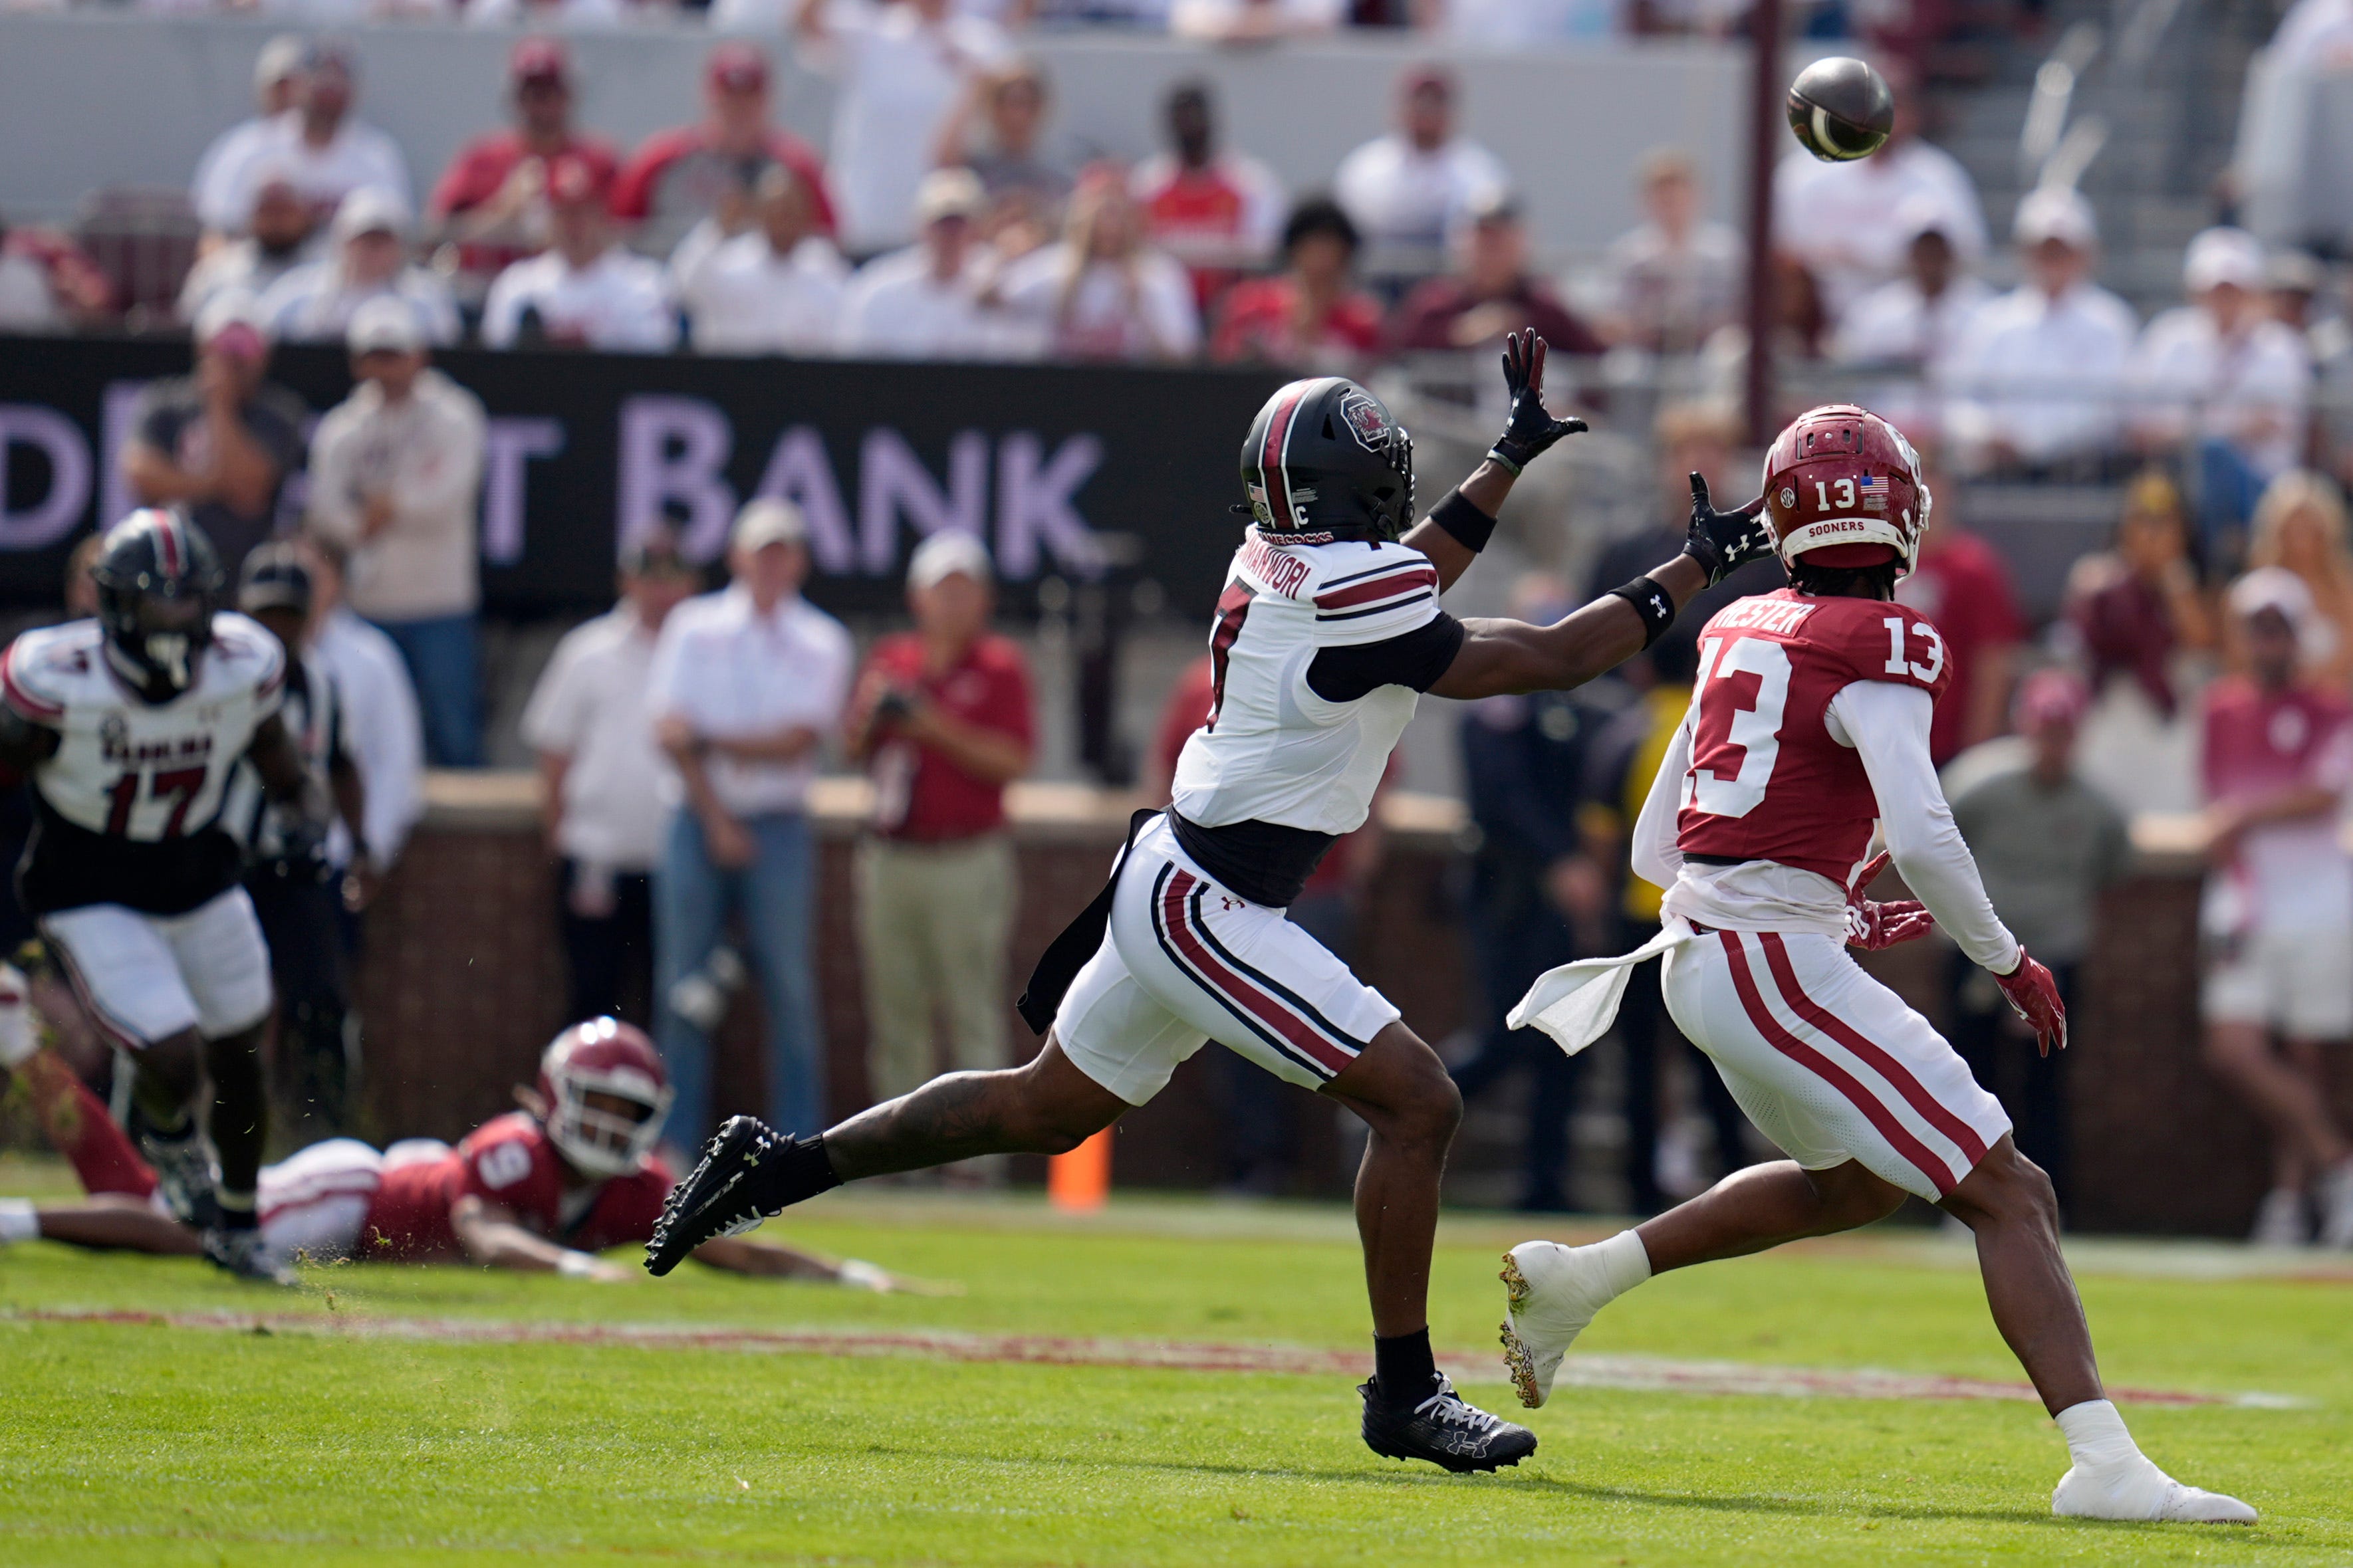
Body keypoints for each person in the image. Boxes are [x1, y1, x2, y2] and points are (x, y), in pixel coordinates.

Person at [645, 333, 1785, 1476]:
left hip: (1179, 875)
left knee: (1041, 1107)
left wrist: (1502, 459)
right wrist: (1690, 566)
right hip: (1213, 900)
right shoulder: (1349, 587)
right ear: (1355, 492)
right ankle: (1403, 1390)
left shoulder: (1270, 558)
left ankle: (778, 1164)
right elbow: (1544, 653)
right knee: (1415, 1103)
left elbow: (1415, 579)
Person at [1495, 403, 2256, 1525]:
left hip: (1712, 953)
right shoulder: (1882, 640)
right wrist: (2002, 957)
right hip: (1763, 961)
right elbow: (1922, 831)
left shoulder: (1739, 625)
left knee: (1857, 1179)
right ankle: (2101, 1463)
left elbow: (1664, 842)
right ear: (1899, 516)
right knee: (2009, 1185)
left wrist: (1823, 906)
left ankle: (1579, 1277)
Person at [0, 508, 331, 1284]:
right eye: (156, 601)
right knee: (169, 1049)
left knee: (242, 1053)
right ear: (114, 604)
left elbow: (287, 772)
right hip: (90, 882)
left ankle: (240, 1226)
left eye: (188, 601)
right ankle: (172, 1142)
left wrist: (305, 823)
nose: (174, 619)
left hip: (198, 873)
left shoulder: (239, 666)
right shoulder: (58, 677)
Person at [0, 1015, 902, 1289]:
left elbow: (732, 1245)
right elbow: (480, 1229)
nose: (610, 1123)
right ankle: (19, 1205)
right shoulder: (515, 1149)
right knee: (184, 1222)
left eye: (628, 1107)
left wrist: (851, 1274)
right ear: (553, 1097)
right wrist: (569, 1267)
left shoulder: (634, 1186)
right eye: (598, 1101)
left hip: (373, 1230)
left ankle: (21, 1054)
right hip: (355, 1194)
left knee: (155, 1204)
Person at [647, 500, 852, 1151]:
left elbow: (797, 740)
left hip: (781, 826)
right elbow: (670, 733)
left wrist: (709, 741)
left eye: (782, 550)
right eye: (760, 550)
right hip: (696, 818)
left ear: (799, 560)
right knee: (681, 985)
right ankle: (676, 1143)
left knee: (790, 985)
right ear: (737, 556)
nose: (769, 563)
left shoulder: (822, 638)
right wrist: (715, 816)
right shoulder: (692, 624)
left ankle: (796, 1144)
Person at [1449, 572, 1633, 1213]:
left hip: (1564, 902)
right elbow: (1505, 798)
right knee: (1506, 1033)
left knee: (1564, 1041)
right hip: (1510, 894)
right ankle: (1409, 1108)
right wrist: (1561, 859)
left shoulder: (1584, 711)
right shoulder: (1495, 708)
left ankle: (1544, 1181)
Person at [844, 532, 1034, 1113]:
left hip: (966, 856)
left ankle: (974, 1158)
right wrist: (877, 717)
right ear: (917, 598)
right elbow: (852, 749)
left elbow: (1012, 760)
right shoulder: (890, 661)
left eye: (964, 591)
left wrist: (932, 725)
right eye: (941, 591)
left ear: (984, 600)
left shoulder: (1000, 666)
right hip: (892, 852)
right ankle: (897, 1152)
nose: (952, 605)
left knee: (969, 1008)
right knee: (894, 1007)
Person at [2197, 568, 2353, 1248]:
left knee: (2306, 1055)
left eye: (2276, 627)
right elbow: (2214, 808)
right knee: (2233, 1049)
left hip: (2318, 902)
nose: (2265, 641)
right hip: (2243, 903)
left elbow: (2322, 793)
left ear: (2296, 636)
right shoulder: (2218, 710)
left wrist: (2246, 814)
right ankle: (2339, 1167)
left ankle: (2290, 1205)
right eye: (2255, 628)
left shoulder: (2333, 710)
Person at [1945, 671, 2130, 1218]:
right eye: (2044, 730)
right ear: (2023, 727)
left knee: (2045, 1082)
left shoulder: (2098, 808)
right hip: (1978, 949)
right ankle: (1965, 1200)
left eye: (2063, 732)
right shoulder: (1976, 783)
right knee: (1967, 1073)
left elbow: (2113, 866)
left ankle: (2046, 1203)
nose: (2053, 744)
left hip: (2054, 953)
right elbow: (1937, 847)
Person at [219, 545, 374, 1139]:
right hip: (224, 865)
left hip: (295, 866)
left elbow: (341, 762)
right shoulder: (218, 680)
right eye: (266, 616)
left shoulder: (321, 684)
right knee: (223, 1004)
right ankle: (217, 1127)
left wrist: (359, 843)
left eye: (288, 616)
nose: (277, 630)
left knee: (320, 1003)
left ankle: (321, 1131)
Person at [521, 528, 701, 1029]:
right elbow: (553, 752)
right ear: (627, 581)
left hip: (677, 859)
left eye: (671, 580)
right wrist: (557, 837)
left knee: (673, 1003)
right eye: (649, 578)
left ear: (689, 584)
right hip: (596, 852)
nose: (660, 592)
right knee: (592, 994)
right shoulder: (587, 651)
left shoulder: (705, 651)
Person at [305, 298, 489, 769]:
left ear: (419, 355)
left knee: (454, 732)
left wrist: (388, 506)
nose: (384, 368)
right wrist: (369, 518)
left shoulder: (454, 413)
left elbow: (450, 495)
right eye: (375, 355)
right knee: (370, 730)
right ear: (357, 361)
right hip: (371, 603)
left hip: (439, 601)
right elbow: (327, 509)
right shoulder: (342, 428)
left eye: (394, 354)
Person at [2129, 228, 2313, 562]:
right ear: (2195, 292)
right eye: (2215, 290)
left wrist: (2191, 429)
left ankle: (2215, 563)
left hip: (2265, 488)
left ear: (2253, 292)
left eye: (2233, 290)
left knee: (2213, 455)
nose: (2224, 300)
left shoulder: (2281, 347)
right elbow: (2141, 428)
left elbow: (2278, 426)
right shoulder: (2168, 338)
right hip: (2179, 486)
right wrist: (2234, 426)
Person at [1942, 187, 2138, 478]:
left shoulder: (2110, 322)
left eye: (2061, 250)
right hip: (2000, 470)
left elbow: (2118, 407)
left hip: (2084, 471)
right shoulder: (1992, 321)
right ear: (2025, 253)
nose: (2052, 260)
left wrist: (2043, 445)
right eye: (2044, 250)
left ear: (2085, 253)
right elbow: (1958, 400)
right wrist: (1988, 434)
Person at [791, 0, 1011, 257]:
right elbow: (804, 21)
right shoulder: (871, 34)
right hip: (865, 222)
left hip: (945, 232)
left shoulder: (984, 43)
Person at [1771, 60, 1985, 318]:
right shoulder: (1803, 173)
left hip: (1901, 324)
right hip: (1813, 320)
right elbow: (1779, 250)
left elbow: (1965, 253)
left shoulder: (1938, 176)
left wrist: (1872, 262)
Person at [2062, 471, 2216, 816]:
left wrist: (2171, 579)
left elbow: (2202, 642)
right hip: (2110, 711)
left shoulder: (2187, 583)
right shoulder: (2097, 577)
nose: (2153, 533)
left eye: (2164, 524)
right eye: (2143, 522)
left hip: (2169, 718)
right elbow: (2088, 633)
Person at [120, 295, 309, 573]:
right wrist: (215, 484)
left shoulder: (280, 414)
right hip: (171, 571)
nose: (233, 361)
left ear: (264, 355)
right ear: (202, 348)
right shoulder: (164, 403)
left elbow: (250, 491)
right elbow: (141, 476)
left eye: (244, 349)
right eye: (224, 348)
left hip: (246, 573)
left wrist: (220, 406)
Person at [610, 43, 838, 259]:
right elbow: (618, 231)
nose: (738, 110)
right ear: (708, 97)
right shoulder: (663, 161)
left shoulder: (796, 167)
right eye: (729, 98)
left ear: (768, 100)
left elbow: (830, 242)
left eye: (748, 98)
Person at [425, 37, 622, 284]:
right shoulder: (481, 159)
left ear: (569, 95)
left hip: (579, 295)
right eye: (532, 94)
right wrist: (501, 212)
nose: (542, 106)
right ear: (515, 99)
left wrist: (568, 229)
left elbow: (630, 239)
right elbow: (435, 243)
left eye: (551, 92)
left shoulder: (599, 162)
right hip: (487, 293)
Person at [298, 535, 426, 879]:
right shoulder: (249, 655)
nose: (304, 590)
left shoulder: (372, 657)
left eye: (315, 576)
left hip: (336, 860)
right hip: (256, 866)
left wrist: (370, 850)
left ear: (337, 582)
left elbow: (397, 761)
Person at [195, 43, 412, 240]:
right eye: (321, 81)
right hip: (261, 272)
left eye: (338, 83)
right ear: (299, 84)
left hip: (347, 277)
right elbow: (216, 231)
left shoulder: (377, 156)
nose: (329, 91)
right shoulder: (249, 147)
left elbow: (395, 234)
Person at [1832, 199, 1995, 441]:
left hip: (1960, 437)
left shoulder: (1985, 312)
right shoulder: (1874, 314)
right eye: (1923, 249)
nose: (1930, 258)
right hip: (1886, 435)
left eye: (1937, 248)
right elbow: (1852, 385)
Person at [997, 168, 1200, 362]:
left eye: (1117, 211)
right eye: (1101, 210)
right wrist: (1004, 255)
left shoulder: (1159, 274)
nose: (1110, 223)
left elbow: (1182, 354)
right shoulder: (1053, 267)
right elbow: (990, 300)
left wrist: (1141, 307)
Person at [481, 156, 679, 354]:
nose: (573, 225)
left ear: (602, 215)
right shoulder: (518, 285)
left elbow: (655, 353)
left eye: (582, 212)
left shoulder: (642, 282)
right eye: (563, 213)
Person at [1892, 475, 2024, 766]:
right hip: (1881, 745)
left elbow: (1993, 662)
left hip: (1948, 748)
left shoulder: (1974, 568)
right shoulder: (1878, 563)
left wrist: (1975, 752)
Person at [1386, 189, 1604, 356]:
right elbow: (1397, 354)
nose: (1491, 255)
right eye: (1483, 243)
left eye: (1500, 243)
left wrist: (1524, 328)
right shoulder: (1435, 304)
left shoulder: (1544, 305)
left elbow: (1589, 361)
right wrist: (1457, 335)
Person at [1130, 82, 1285, 313]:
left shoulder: (1253, 184)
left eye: (1195, 116)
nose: (1189, 126)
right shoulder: (1144, 186)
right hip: (1161, 309)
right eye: (1180, 118)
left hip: (1230, 311)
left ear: (1213, 121)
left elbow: (1263, 259)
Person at [1332, 64, 1507, 257]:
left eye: (1436, 103)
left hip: (1453, 281)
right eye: (1420, 103)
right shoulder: (1365, 169)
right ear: (1399, 108)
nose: (1427, 112)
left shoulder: (1480, 171)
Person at [257, 187, 461, 349]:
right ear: (343, 241)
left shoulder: (428, 299)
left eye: (382, 240)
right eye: (363, 239)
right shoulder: (294, 292)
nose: (372, 249)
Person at [677, 164, 848, 357]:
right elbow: (683, 288)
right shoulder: (727, 260)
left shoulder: (826, 267)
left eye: (790, 213)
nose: (782, 222)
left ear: (806, 215)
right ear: (759, 213)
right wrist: (717, 229)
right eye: (775, 212)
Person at [838, 169, 1005, 358]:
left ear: (977, 230)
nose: (950, 235)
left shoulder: (999, 284)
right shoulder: (879, 290)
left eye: (959, 224)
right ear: (921, 228)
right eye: (941, 224)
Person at [1211, 197, 1382, 372]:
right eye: (1311, 244)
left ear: (1345, 254)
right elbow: (1225, 365)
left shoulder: (1361, 320)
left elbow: (1370, 377)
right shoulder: (1250, 305)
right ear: (1293, 250)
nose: (1320, 256)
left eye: (1329, 245)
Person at [1602, 148, 1744, 356]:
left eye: (1679, 193)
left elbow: (1741, 310)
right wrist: (1643, 328)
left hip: (1707, 350)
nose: (1671, 203)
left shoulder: (1724, 250)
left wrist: (1702, 327)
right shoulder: (1630, 254)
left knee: (1730, 354)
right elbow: (1609, 318)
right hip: (1647, 352)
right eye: (1662, 195)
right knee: (1625, 368)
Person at [189, 35, 309, 240]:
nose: (289, 95)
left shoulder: (346, 149)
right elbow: (216, 229)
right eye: (280, 86)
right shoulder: (238, 149)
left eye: (296, 86)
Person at [2245, 469, 2353, 688]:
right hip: (2271, 705)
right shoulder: (2252, 591)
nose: (2301, 537)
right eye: (2293, 527)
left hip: (2336, 705)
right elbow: (2242, 659)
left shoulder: (2346, 590)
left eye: (2310, 527)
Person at [177, 173, 318, 327]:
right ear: (252, 215)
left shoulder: (324, 273)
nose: (276, 220)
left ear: (304, 214)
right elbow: (189, 325)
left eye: (284, 211)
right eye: (268, 211)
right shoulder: (217, 271)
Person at [936, 59, 1070, 215]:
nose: (1019, 114)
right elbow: (944, 163)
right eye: (1010, 103)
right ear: (994, 109)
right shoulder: (979, 166)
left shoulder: (1058, 168)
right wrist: (975, 91)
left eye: (1029, 103)